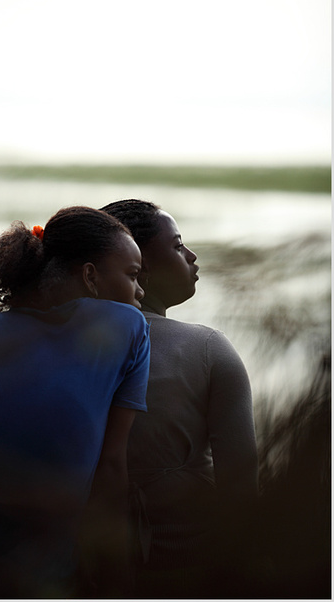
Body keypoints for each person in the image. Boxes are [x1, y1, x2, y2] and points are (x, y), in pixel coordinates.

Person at [0, 206, 151, 599]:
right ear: (90, 276)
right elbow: (111, 464)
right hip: (30, 566)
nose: (140, 291)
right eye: (133, 275)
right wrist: (115, 574)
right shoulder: (129, 326)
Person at [102, 199, 259, 598]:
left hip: (90, 558)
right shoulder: (208, 348)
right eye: (177, 245)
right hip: (190, 562)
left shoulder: (66, 343)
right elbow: (239, 484)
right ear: (140, 264)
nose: (191, 256)